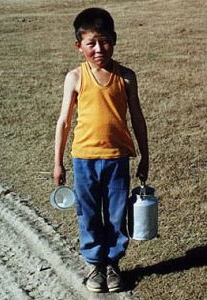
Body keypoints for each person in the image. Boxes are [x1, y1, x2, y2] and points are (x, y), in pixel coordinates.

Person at [53, 7, 149, 293]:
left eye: (104, 41)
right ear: (79, 46)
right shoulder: (75, 77)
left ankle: (113, 264)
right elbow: (64, 121)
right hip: (83, 159)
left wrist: (145, 155)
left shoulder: (127, 77)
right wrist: (58, 163)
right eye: (91, 43)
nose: (98, 49)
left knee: (117, 214)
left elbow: (138, 118)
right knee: (89, 213)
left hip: (117, 159)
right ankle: (96, 264)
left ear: (114, 39)